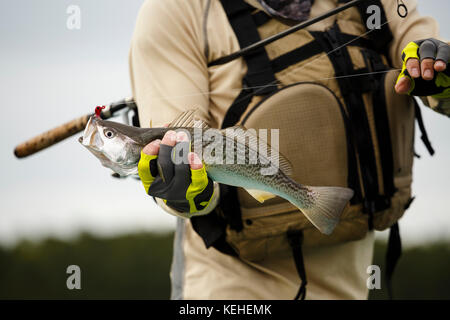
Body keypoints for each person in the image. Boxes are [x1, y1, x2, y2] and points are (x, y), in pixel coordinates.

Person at [129, 0, 449, 299]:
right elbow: (177, 149)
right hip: (229, 290)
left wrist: (439, 75)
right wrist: (181, 188)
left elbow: (436, 75)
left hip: (350, 287)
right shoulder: (175, 10)